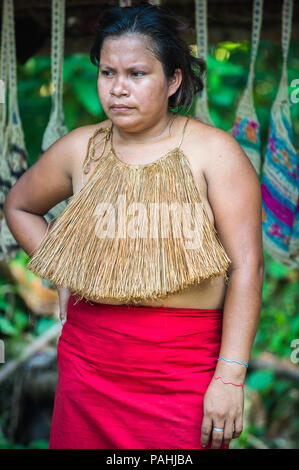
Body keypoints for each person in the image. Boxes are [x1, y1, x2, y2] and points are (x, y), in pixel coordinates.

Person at [4, 3, 264, 450]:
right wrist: (64, 271)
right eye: (108, 73)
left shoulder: (215, 153)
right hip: (90, 366)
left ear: (174, 79)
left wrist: (230, 377)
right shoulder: (78, 148)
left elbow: (247, 268)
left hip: (183, 372)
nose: (118, 89)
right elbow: (19, 206)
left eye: (137, 74)